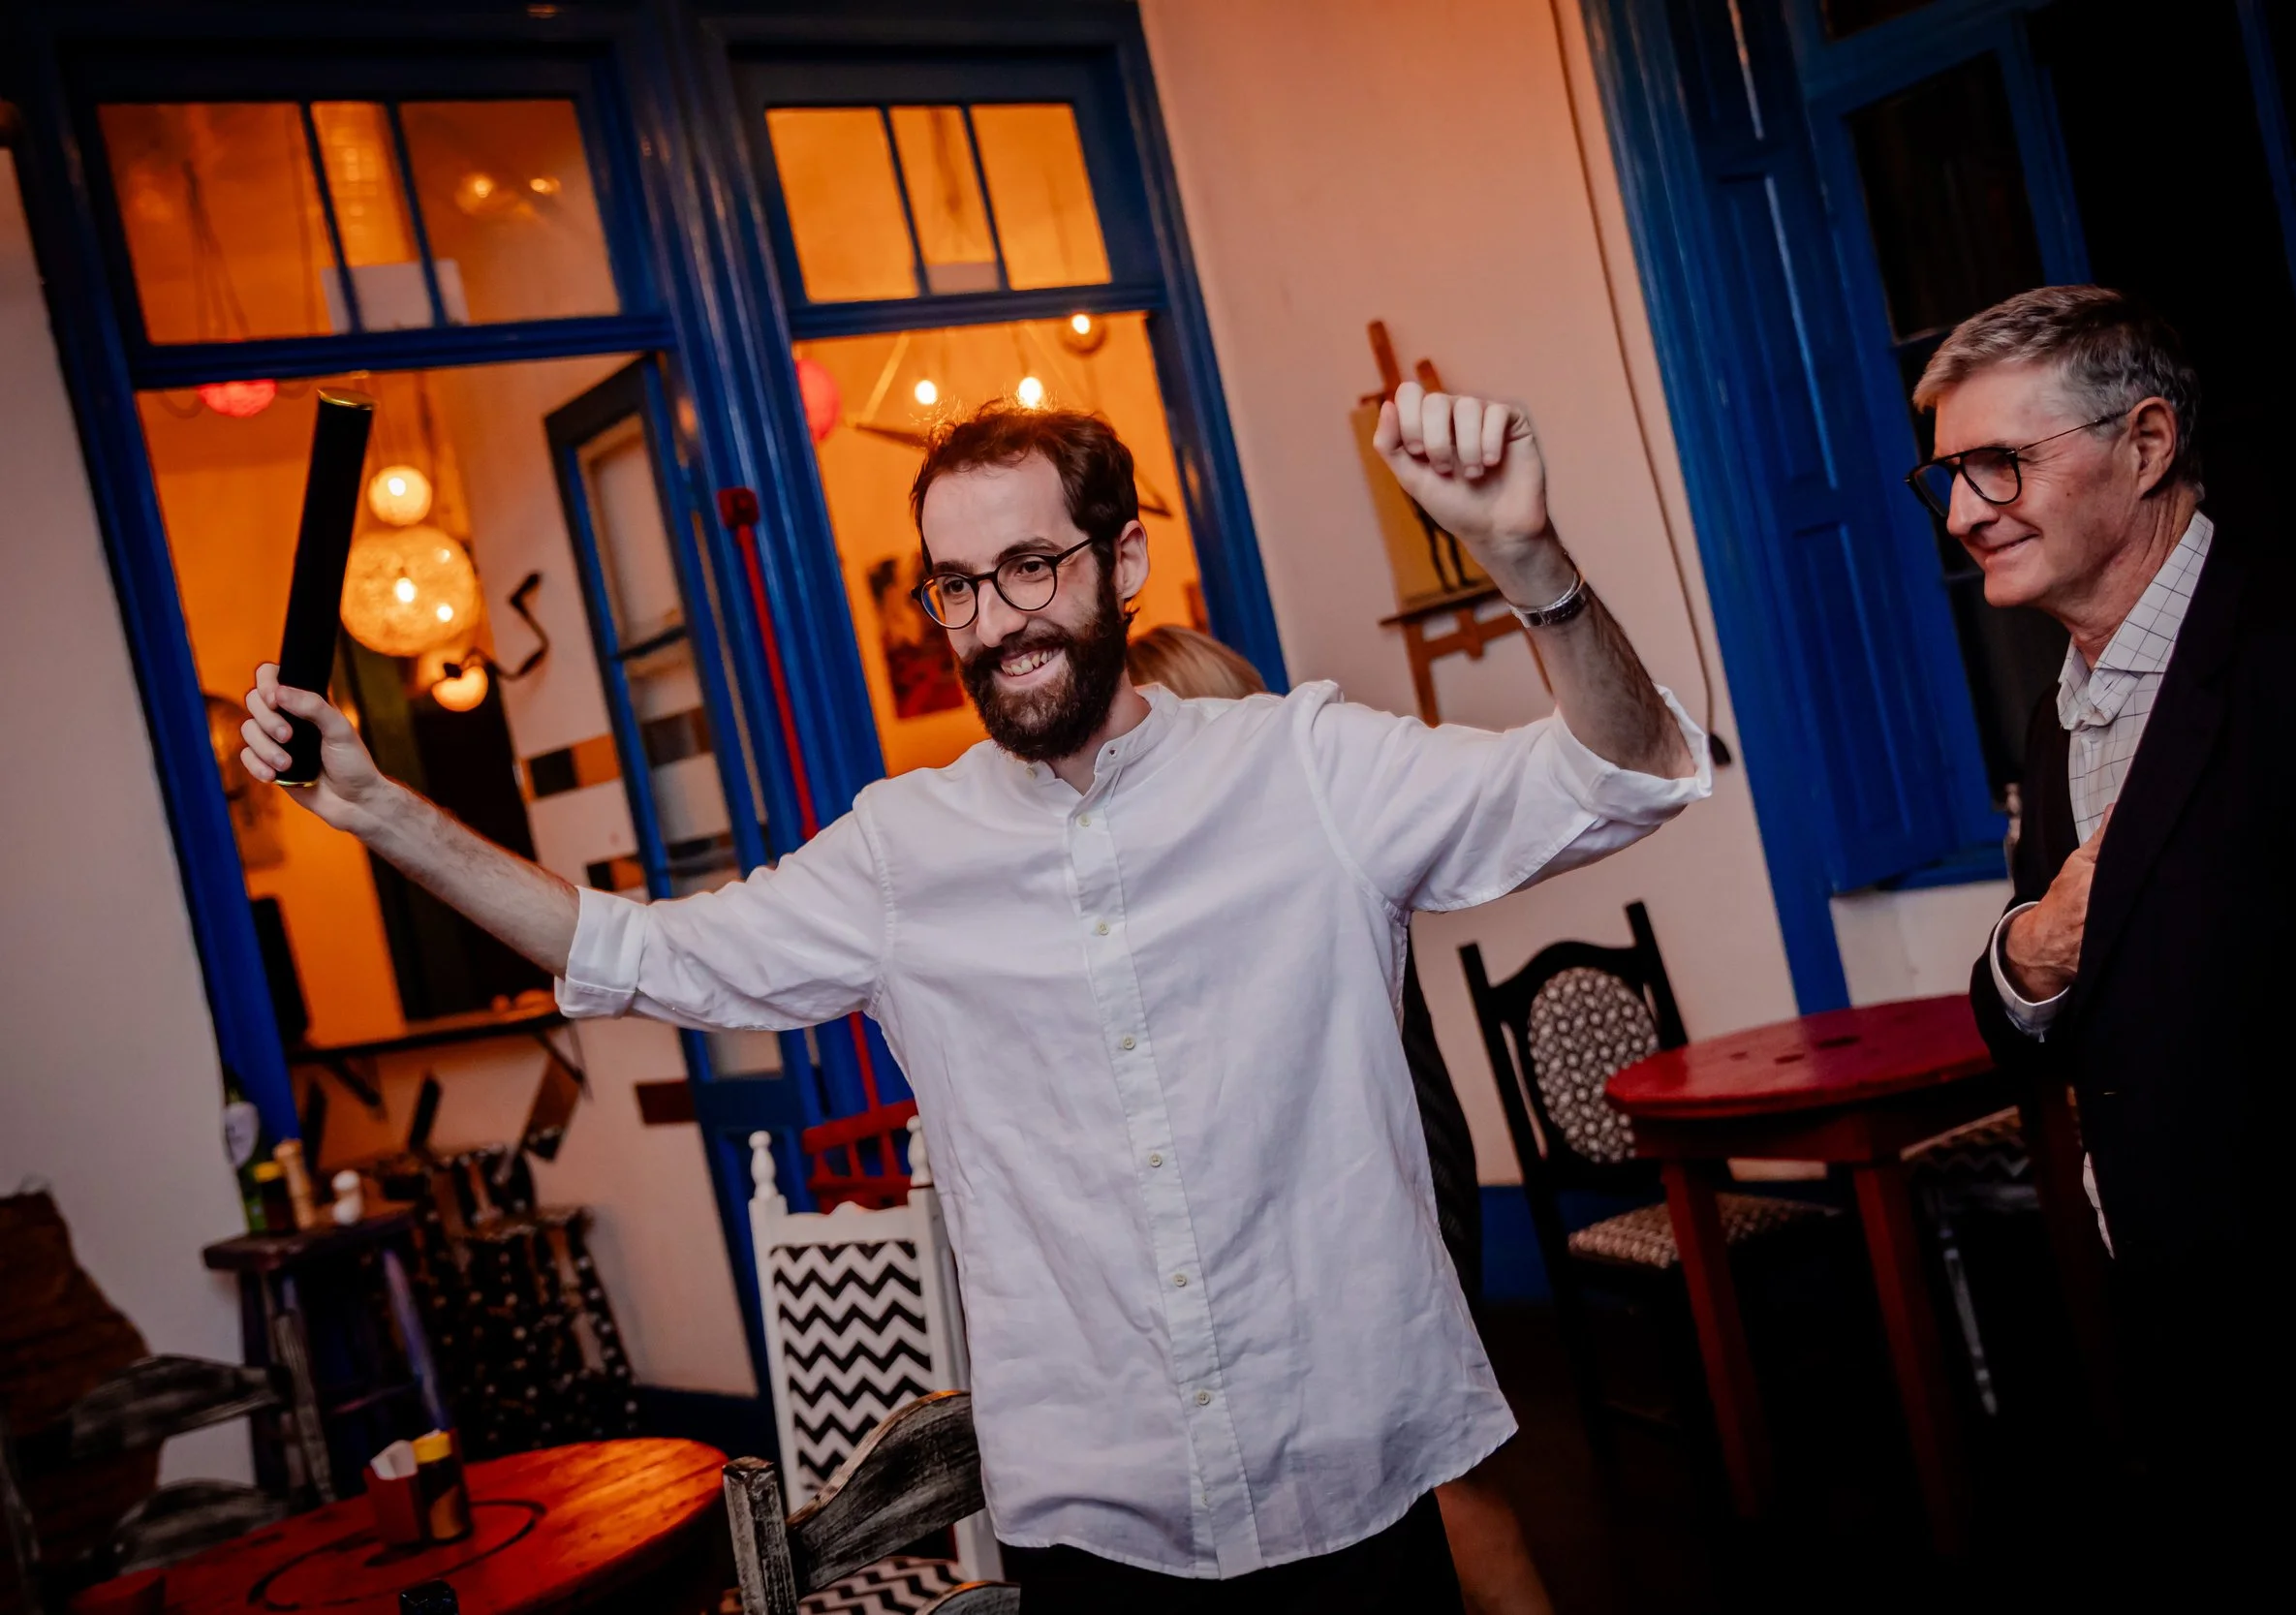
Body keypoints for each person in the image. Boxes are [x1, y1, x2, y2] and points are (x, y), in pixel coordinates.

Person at [241, 384, 1706, 1613]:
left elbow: (1625, 775)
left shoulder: (1305, 768)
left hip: (1350, 1479)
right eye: (954, 584)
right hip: (1100, 1523)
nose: (995, 620)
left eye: (1032, 567)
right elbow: (637, 951)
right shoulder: (902, 853)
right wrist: (377, 811)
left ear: (1124, 564)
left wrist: (1530, 561)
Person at [1921, 287, 2296, 1585]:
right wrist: (2026, 956)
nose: (1965, 511)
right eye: (1950, 475)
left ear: (2145, 445)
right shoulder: (2051, 720)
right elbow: (2060, 1000)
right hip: (2177, 1329)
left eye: (2001, 463)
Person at [1128, 624, 1553, 1615]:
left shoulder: (1298, 855)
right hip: (1350, 1198)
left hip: (1382, 1192)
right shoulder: (1196, 877)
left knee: (1440, 1481)